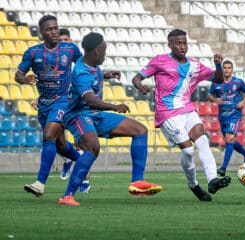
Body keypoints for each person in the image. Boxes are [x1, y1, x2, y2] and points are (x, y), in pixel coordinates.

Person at [57, 32, 162, 206]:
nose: (106, 53)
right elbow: (90, 100)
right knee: (93, 147)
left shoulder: (92, 65)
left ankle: (137, 182)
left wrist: (106, 75)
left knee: (140, 130)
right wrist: (114, 106)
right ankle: (67, 195)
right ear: (97, 51)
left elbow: (94, 79)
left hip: (95, 115)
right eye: (104, 50)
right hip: (78, 115)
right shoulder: (81, 72)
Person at [131, 29, 231, 202]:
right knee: (188, 150)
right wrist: (140, 86)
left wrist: (217, 66)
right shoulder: (160, 60)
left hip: (187, 109)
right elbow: (136, 78)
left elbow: (219, 79)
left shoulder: (194, 65)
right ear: (170, 45)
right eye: (178, 43)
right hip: (167, 112)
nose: (182, 46)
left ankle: (213, 179)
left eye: (184, 43)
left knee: (202, 139)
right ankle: (194, 185)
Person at [16, 15, 82, 197]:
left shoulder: (70, 49)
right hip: (44, 103)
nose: (54, 32)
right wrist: (24, 79)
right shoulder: (32, 53)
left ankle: (40, 183)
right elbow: (18, 74)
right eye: (49, 29)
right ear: (41, 32)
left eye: (56, 28)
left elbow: (85, 66)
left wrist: (101, 77)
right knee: (60, 145)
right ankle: (83, 161)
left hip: (64, 100)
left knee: (48, 135)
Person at [56, 28, 91, 193]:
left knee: (83, 142)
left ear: (70, 40)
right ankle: (68, 159)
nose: (64, 42)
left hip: (76, 106)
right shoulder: (58, 66)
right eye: (60, 40)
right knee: (57, 140)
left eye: (66, 39)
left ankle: (84, 178)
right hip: (60, 103)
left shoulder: (79, 67)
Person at [207, 59, 245, 176]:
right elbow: (209, 94)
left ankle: (223, 168)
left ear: (232, 70)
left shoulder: (238, 82)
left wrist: (243, 102)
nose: (227, 70)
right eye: (225, 68)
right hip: (222, 116)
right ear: (222, 69)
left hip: (235, 115)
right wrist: (215, 99)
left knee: (229, 137)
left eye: (229, 68)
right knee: (230, 140)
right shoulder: (216, 82)